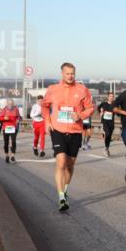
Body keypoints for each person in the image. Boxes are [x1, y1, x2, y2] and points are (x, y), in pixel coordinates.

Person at [41, 62, 95, 212]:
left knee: (70, 164)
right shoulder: (53, 89)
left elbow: (91, 108)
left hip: (75, 130)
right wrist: (47, 121)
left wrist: (80, 115)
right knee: (61, 161)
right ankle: (61, 198)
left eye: (72, 73)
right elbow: (44, 106)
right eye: (67, 73)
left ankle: (65, 189)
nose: (70, 76)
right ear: (62, 74)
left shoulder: (82, 90)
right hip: (58, 129)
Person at [0, 99, 21, 163]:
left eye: (11, 104)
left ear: (13, 104)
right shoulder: (4, 110)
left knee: (13, 141)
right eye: (9, 104)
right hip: (6, 127)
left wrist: (18, 119)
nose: (10, 105)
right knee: (6, 142)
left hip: (13, 127)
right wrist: (4, 118)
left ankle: (13, 155)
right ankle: (7, 155)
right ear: (7, 104)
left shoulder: (16, 109)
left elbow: (18, 116)